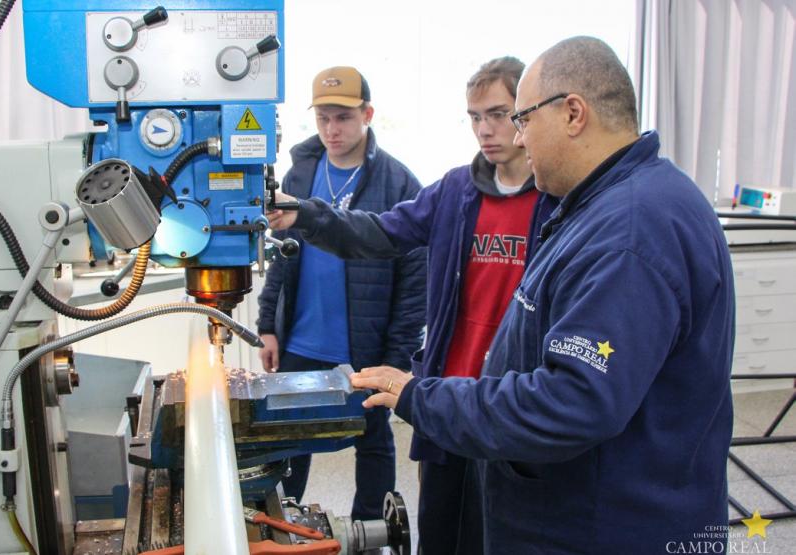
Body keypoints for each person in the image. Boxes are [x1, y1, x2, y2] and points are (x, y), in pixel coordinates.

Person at [344, 37, 735, 553]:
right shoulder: (604, 206)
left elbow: (573, 402)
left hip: (604, 527)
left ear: (573, 113)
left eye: (522, 119)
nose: (517, 138)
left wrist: (424, 396)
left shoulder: (630, 232)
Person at [266, 57, 558, 554]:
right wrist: (305, 215)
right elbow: (378, 232)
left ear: (527, 113)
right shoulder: (455, 192)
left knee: (502, 537)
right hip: (447, 402)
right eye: (475, 117)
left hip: (510, 406)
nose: (485, 130)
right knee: (440, 535)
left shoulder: (557, 202)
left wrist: (396, 350)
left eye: (498, 114)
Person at [256, 66, 426, 522]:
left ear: (367, 115)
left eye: (344, 118)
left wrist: (398, 356)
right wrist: (268, 327)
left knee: (373, 442)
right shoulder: (301, 173)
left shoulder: (399, 184)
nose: (332, 129)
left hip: (365, 348)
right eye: (323, 118)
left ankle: (370, 532)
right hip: (300, 342)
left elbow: (415, 285)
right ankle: (284, 526)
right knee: (289, 441)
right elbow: (281, 257)